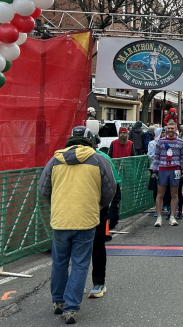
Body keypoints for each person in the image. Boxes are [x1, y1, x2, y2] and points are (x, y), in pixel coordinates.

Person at [38, 126, 116, 325]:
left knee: (59, 261)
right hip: (86, 219)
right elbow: (110, 189)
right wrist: (99, 206)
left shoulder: (55, 159)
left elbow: (44, 189)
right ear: (90, 141)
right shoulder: (99, 160)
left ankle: (58, 301)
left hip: (61, 219)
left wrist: (56, 206)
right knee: (80, 263)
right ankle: (71, 307)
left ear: (70, 140)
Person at [89, 130, 122, 300]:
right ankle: (61, 293)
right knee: (73, 250)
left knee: (96, 244)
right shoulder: (62, 158)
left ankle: (98, 282)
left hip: (95, 210)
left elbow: (114, 184)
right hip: (74, 212)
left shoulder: (102, 158)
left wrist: (110, 208)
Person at [152, 121, 183, 227]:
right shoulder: (161, 141)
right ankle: (159, 217)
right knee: (160, 194)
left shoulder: (180, 142)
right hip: (162, 169)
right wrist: (154, 170)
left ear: (175, 129)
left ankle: (172, 216)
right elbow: (156, 156)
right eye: (169, 128)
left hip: (175, 169)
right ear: (166, 129)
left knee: (174, 193)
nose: (170, 130)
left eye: (172, 128)